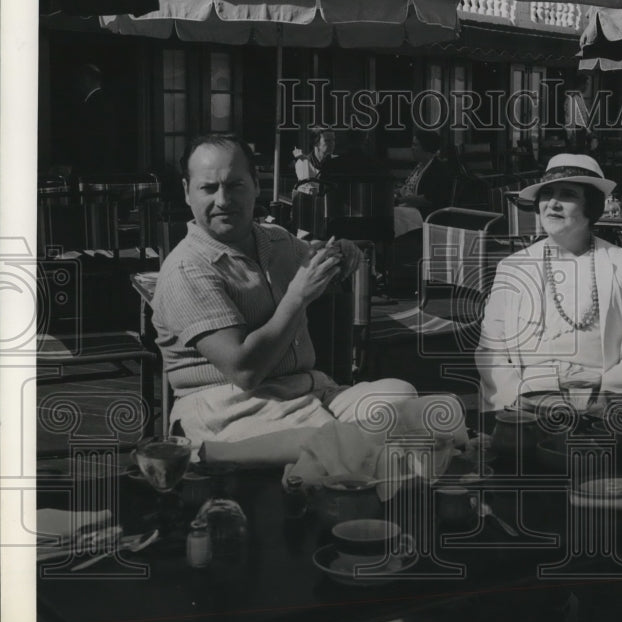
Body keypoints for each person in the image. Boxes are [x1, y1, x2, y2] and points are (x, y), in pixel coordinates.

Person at [152, 133, 428, 451]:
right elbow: (245, 370)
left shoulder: (276, 239)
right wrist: (298, 294)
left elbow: (315, 256)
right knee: (347, 444)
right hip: (228, 409)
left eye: (235, 185)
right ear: (187, 193)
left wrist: (340, 252)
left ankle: (341, 448)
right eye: (208, 188)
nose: (223, 201)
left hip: (306, 392)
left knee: (401, 394)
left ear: (256, 185)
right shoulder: (187, 268)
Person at [476, 154, 622, 411]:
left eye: (567, 194)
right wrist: (516, 398)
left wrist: (600, 399)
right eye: (547, 193)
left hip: (599, 402)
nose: (552, 204)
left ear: (591, 206)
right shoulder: (513, 268)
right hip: (527, 399)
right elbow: (490, 350)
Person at [395, 129, 454, 217]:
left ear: (426, 148)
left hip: (426, 214)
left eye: (415, 145)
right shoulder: (420, 165)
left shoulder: (438, 169)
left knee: (392, 214)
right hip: (411, 208)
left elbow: (430, 199)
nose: (412, 148)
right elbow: (408, 188)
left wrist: (401, 200)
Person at [292, 129, 338, 195]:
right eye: (327, 140)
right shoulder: (303, 162)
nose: (332, 144)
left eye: (333, 140)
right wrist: (305, 162)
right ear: (316, 143)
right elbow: (309, 191)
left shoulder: (336, 161)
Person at [564, 77, 591, 150]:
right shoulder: (573, 97)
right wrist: (571, 133)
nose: (587, 86)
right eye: (586, 84)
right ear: (581, 84)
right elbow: (570, 116)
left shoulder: (579, 96)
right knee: (576, 153)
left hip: (581, 130)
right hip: (576, 130)